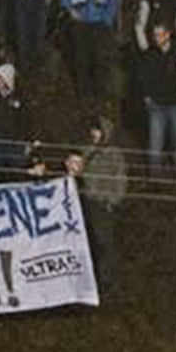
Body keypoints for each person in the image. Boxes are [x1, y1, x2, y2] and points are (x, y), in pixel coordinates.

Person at [66, 114, 127, 277]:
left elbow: (120, 180)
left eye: (97, 130)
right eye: (93, 130)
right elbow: (76, 172)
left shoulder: (114, 155)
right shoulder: (86, 151)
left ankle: (105, 276)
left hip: (103, 204)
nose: (93, 133)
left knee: (104, 243)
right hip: (87, 202)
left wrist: (112, 201)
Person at [58, 0, 119, 101]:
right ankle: (83, 95)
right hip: (79, 23)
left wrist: (107, 19)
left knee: (99, 59)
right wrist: (71, 10)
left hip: (99, 23)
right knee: (80, 59)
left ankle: (99, 94)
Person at [139, 21, 176, 173]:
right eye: (154, 35)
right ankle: (155, 178)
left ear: (168, 34)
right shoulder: (150, 54)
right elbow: (143, 78)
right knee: (155, 145)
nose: (156, 38)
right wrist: (148, 97)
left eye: (160, 34)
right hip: (157, 105)